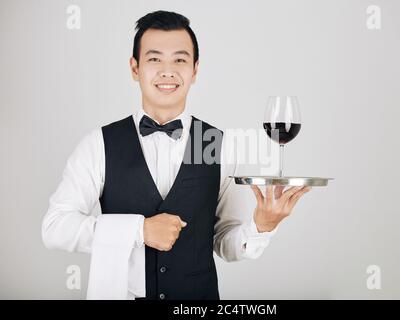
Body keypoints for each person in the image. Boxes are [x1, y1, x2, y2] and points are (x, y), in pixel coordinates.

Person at [41, 10, 311, 300]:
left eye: (180, 60)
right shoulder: (99, 144)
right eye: (154, 59)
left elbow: (224, 241)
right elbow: (55, 228)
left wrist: (261, 227)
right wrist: (138, 231)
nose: (167, 71)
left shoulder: (216, 143)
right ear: (135, 68)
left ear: (195, 70)